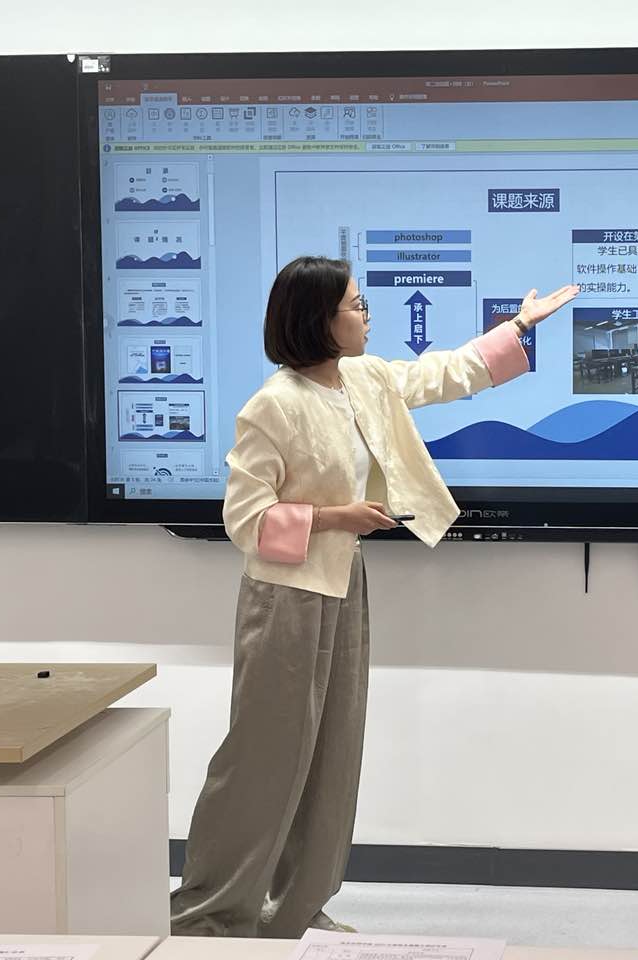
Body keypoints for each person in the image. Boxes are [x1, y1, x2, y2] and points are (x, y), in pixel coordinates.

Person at [170, 255, 578, 937]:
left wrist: (519, 325)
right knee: (263, 760)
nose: (367, 316)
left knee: (332, 758)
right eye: (356, 306)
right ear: (319, 320)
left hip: (341, 586)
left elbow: (446, 372)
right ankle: (210, 916)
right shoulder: (273, 405)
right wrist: (337, 517)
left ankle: (293, 913)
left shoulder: (363, 378)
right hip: (284, 601)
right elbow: (245, 521)